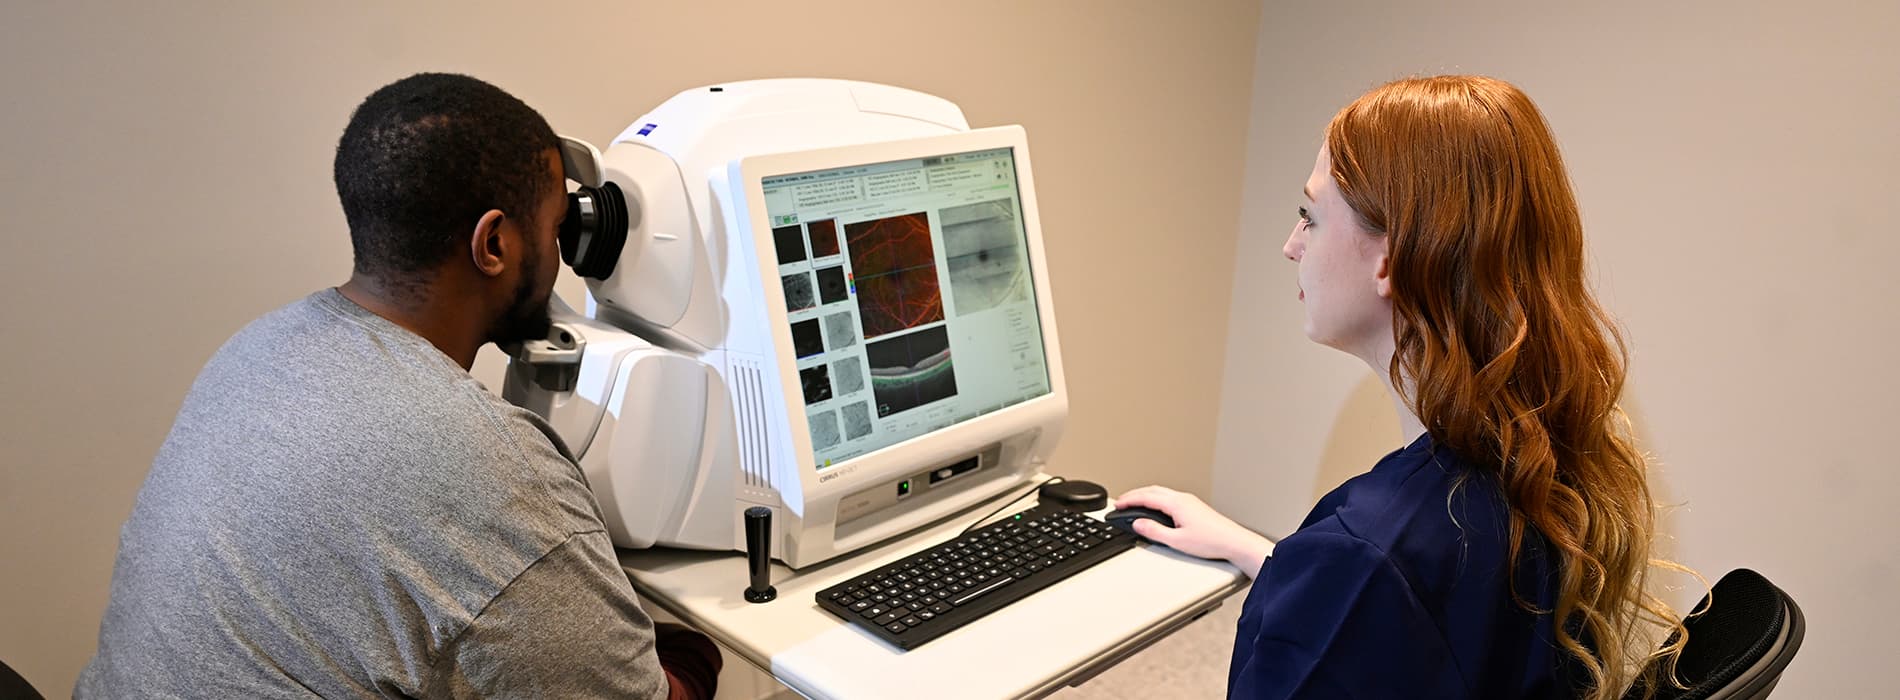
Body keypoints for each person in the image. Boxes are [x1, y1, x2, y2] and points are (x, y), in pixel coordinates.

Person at [79, 73, 721, 699]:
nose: (562, 256)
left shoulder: (257, 348)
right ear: (493, 243)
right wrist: (696, 651)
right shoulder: (498, 476)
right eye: (555, 229)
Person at [1116, 75, 1688, 699]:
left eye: (1309, 216)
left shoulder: (1368, 555)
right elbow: (1416, 615)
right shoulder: (1535, 462)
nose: (1291, 245)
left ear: (1391, 259)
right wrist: (1271, 560)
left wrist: (1328, 574)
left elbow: (1380, 589)